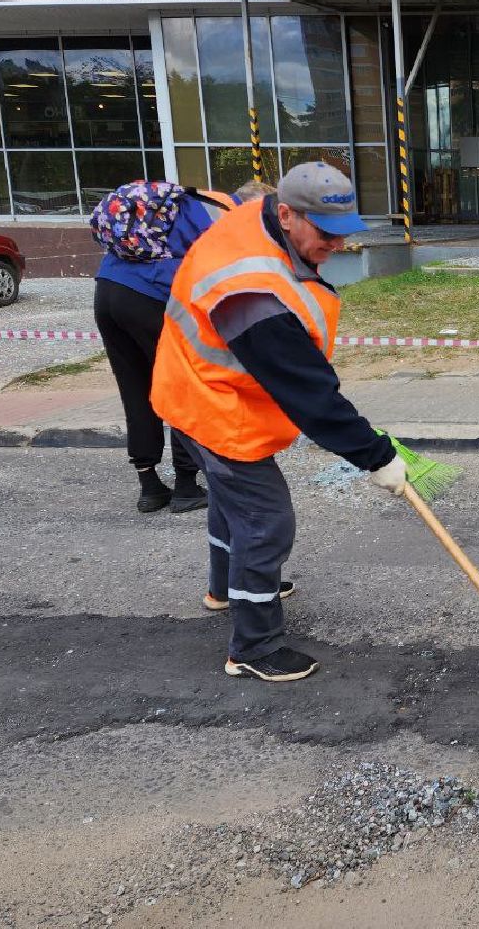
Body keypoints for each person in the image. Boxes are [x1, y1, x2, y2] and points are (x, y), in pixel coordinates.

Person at [151, 162, 407, 683]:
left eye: (342, 233)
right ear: (287, 214)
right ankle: (255, 646)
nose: (336, 245)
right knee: (266, 522)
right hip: (214, 406)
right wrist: (376, 456)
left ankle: (225, 588)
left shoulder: (261, 220)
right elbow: (308, 393)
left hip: (193, 388)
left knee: (233, 507)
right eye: (325, 233)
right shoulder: (252, 290)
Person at [92, 183, 233, 514]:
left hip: (108, 289)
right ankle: (186, 485)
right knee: (182, 388)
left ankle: (150, 487)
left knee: (135, 388)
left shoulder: (177, 201)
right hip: (150, 297)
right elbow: (214, 266)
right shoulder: (221, 211)